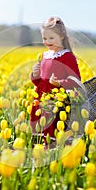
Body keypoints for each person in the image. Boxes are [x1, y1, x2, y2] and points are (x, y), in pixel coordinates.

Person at [30, 17, 81, 145]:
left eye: (51, 38)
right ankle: (41, 155)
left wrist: (59, 83)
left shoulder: (67, 56)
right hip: (41, 100)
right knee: (40, 132)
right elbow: (40, 83)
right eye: (44, 38)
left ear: (62, 36)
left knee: (53, 132)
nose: (47, 42)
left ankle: (53, 155)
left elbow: (76, 80)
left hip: (57, 102)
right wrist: (35, 75)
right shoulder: (44, 55)